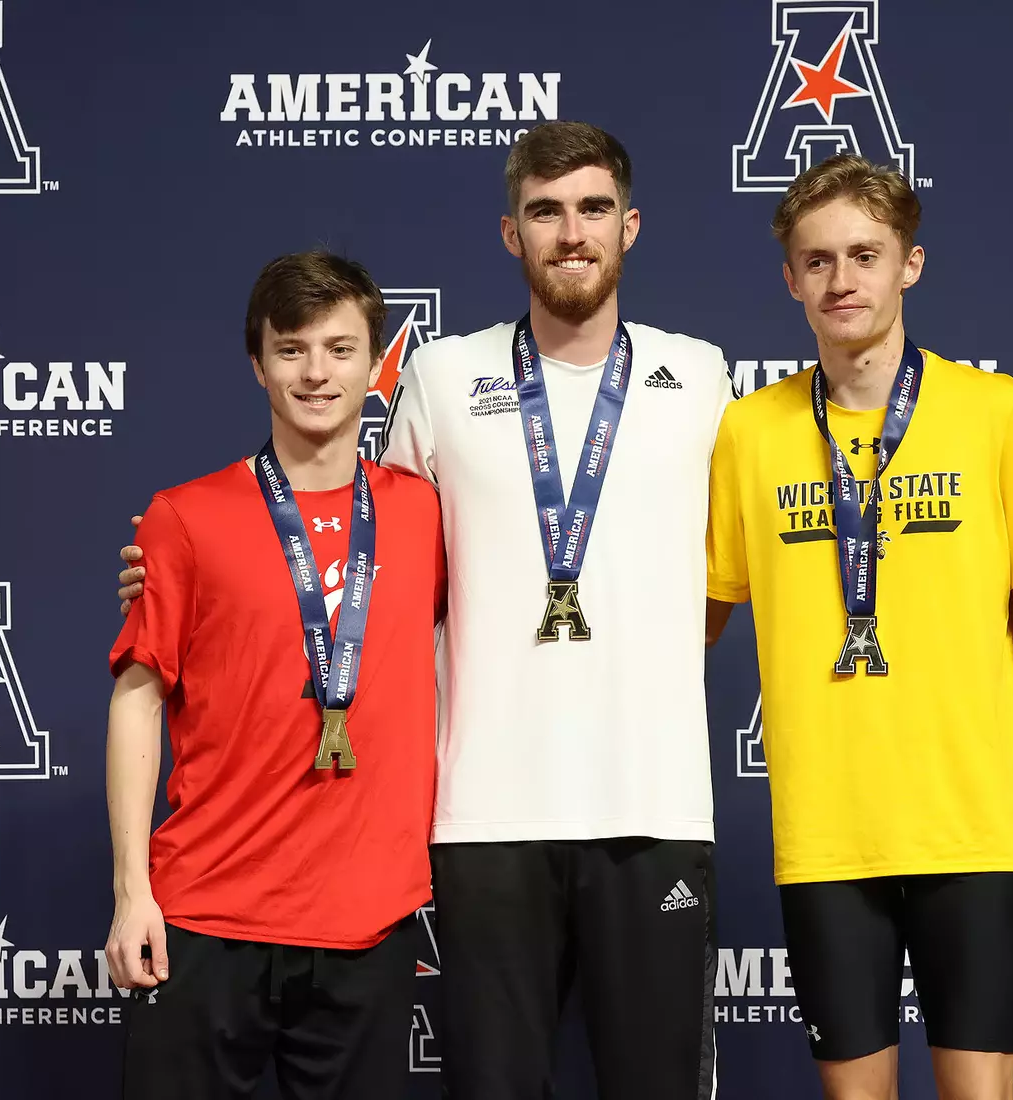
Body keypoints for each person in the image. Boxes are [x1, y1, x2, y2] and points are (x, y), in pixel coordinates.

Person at [124, 121, 730, 1098]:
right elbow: (366, 549)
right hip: (480, 816)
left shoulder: (702, 376)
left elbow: (784, 525)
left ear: (630, 225)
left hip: (652, 803)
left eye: (590, 209)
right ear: (509, 234)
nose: (569, 232)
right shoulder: (442, 377)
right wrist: (176, 564)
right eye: (544, 211)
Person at [704, 153, 1013, 1100]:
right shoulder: (749, 434)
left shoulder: (992, 411)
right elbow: (698, 619)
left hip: (968, 822)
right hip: (826, 834)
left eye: (865, 255)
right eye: (817, 261)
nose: (841, 281)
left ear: (908, 266)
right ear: (791, 278)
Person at [103, 251, 446, 1100]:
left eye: (340, 348)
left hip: (368, 922)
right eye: (292, 350)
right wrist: (130, 892)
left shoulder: (427, 511)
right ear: (258, 364)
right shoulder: (185, 517)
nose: (317, 372)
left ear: (377, 363)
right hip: (204, 915)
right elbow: (138, 702)